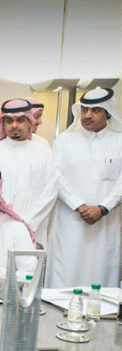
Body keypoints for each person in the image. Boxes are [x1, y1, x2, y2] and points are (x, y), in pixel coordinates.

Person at [47, 87, 122, 288]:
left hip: (105, 224)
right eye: (84, 110)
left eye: (95, 110)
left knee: (101, 274)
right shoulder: (64, 140)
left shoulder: (119, 141)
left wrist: (103, 208)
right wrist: (79, 206)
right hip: (69, 222)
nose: (88, 115)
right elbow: (55, 177)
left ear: (108, 113)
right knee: (65, 272)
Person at [0, 99, 57, 246]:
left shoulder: (44, 153)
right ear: (3, 124)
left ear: (29, 122)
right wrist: (7, 221)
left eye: (20, 120)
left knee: (30, 261)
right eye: (9, 121)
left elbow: (51, 192)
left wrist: (29, 222)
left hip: (34, 229)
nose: (14, 125)